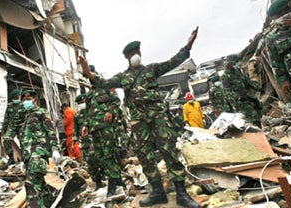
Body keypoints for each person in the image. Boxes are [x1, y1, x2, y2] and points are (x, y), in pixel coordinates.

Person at [79, 27, 200, 207]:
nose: (136, 55)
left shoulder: (151, 69)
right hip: (138, 121)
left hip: (158, 117)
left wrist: (188, 45)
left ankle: (182, 194)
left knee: (169, 151)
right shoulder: (124, 77)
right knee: (144, 155)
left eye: (137, 52)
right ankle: (157, 191)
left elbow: (173, 61)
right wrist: (88, 72)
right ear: (127, 57)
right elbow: (104, 83)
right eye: (132, 53)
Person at [78, 64, 125, 199]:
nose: (89, 78)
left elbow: (116, 101)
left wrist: (110, 111)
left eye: (89, 75)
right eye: (87, 76)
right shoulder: (89, 94)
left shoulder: (106, 87)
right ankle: (118, 180)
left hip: (107, 128)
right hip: (94, 129)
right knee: (102, 156)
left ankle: (112, 186)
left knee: (109, 154)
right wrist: (85, 125)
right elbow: (87, 112)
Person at [19, 89, 61, 207]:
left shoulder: (41, 112)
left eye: (28, 99)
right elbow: (25, 141)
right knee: (40, 186)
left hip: (38, 153)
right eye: (23, 100)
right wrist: (23, 159)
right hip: (29, 157)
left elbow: (50, 131)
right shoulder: (25, 118)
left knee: (31, 185)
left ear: (35, 100)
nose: (25, 102)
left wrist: (55, 149)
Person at [264, 0, 291, 122]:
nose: (285, 14)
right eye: (281, 14)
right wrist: (283, 81)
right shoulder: (271, 38)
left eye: (286, 11)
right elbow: (276, 63)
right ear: (273, 18)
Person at [1, 88, 25, 165]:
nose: (16, 99)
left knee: (24, 141)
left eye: (17, 97)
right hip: (12, 127)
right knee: (6, 139)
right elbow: (6, 118)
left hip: (21, 126)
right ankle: (11, 157)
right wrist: (3, 129)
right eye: (14, 98)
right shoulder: (9, 106)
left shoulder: (24, 105)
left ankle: (25, 159)